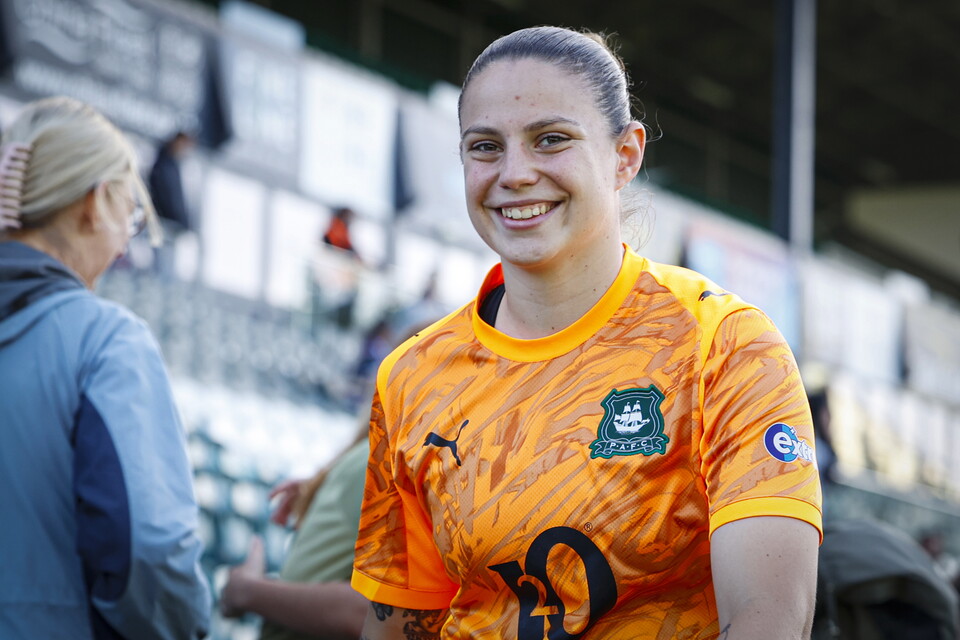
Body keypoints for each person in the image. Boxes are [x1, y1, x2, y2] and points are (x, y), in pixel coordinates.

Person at [350, 26, 822, 640]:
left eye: (551, 140)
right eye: (485, 147)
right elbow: (397, 627)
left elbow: (771, 622)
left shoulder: (726, 346)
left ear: (625, 155)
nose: (515, 174)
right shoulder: (412, 375)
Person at [0, 97, 210, 639]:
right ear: (94, 203)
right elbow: (149, 549)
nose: (125, 243)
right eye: (130, 214)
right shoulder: (104, 340)